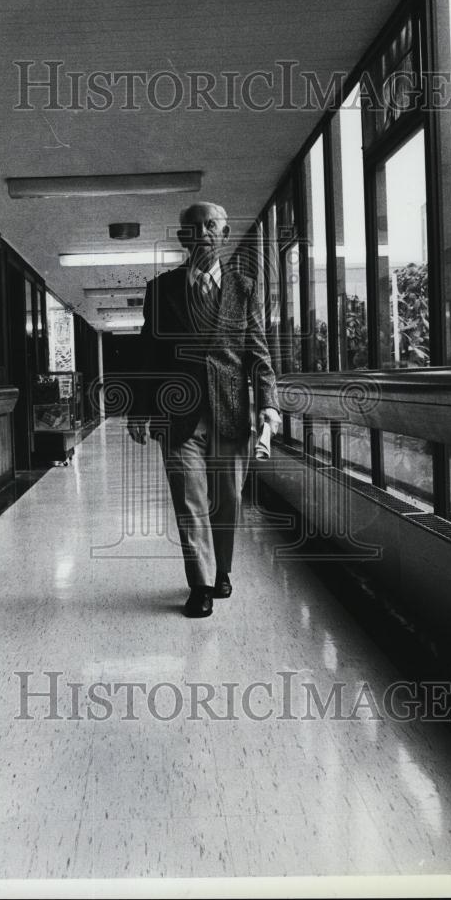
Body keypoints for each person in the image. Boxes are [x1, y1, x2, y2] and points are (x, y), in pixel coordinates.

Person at [127, 202, 281, 618]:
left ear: (225, 234)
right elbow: (149, 353)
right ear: (182, 238)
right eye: (192, 227)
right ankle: (200, 584)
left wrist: (268, 402)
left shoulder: (244, 288)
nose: (202, 233)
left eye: (211, 225)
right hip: (178, 416)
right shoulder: (161, 289)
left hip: (231, 415)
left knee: (227, 499)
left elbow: (258, 354)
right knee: (189, 500)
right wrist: (139, 408)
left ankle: (224, 570)